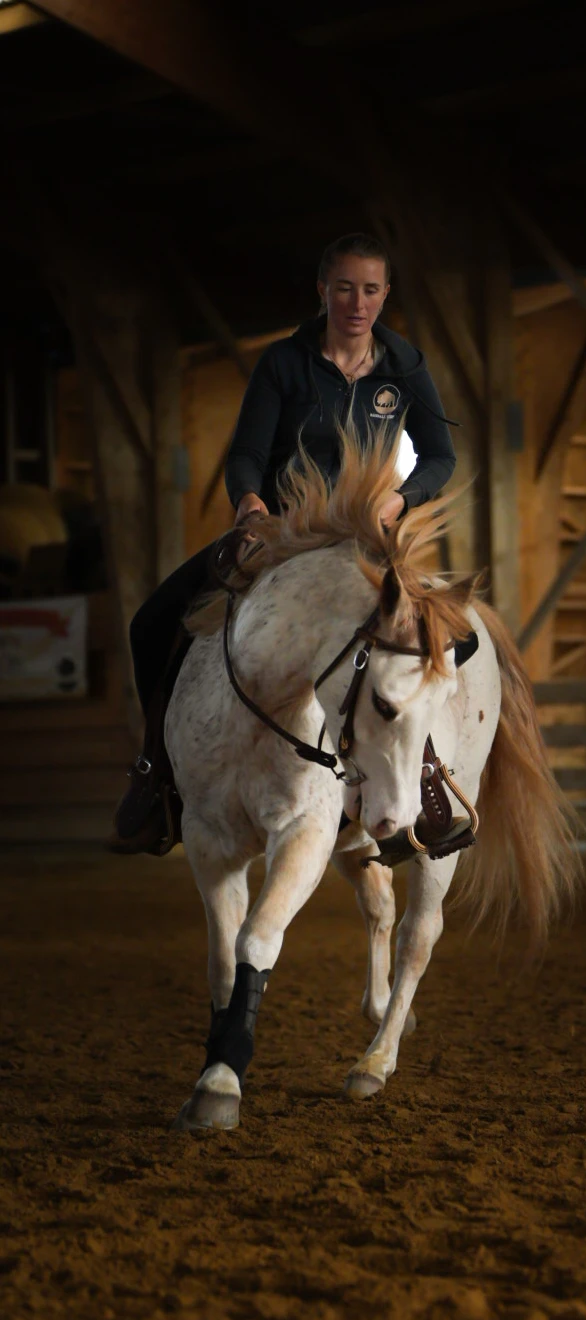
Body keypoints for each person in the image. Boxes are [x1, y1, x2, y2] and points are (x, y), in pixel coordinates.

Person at [111, 232, 457, 854]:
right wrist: (249, 501)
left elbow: (441, 456)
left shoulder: (406, 368)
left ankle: (426, 778)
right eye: (345, 287)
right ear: (322, 291)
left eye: (371, 289)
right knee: (151, 622)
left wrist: (399, 500)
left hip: (364, 539)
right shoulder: (283, 363)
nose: (358, 301)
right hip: (281, 532)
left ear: (385, 295)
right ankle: (155, 773)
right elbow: (246, 451)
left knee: (437, 642)